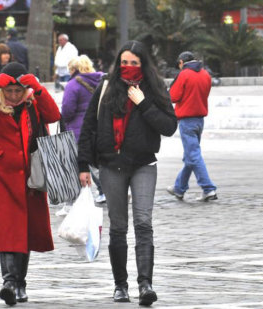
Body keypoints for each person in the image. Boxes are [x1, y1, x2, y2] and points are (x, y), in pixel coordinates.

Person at [77, 40, 177, 306]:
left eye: (134, 63)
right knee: (118, 227)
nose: (129, 67)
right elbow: (88, 128)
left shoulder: (154, 89)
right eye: (124, 62)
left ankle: (145, 284)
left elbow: (169, 126)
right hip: (112, 165)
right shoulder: (106, 88)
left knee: (144, 224)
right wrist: (83, 166)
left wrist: (143, 103)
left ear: (143, 64)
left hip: (144, 164)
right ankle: (120, 286)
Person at [0, 63, 61, 305]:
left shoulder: (33, 103)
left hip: (30, 176)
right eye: (10, 91)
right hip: (0, 176)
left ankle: (20, 282)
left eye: (18, 90)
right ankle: (9, 281)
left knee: (24, 230)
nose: (14, 95)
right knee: (7, 228)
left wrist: (38, 88)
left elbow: (54, 115)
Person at [166, 51, 218, 202]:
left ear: (182, 62)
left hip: (186, 120)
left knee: (193, 155)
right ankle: (179, 188)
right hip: (200, 119)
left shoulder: (184, 74)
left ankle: (208, 188)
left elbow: (173, 96)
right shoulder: (205, 74)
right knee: (190, 155)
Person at [60, 55, 105, 208]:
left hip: (77, 131)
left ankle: (72, 202)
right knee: (95, 163)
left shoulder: (73, 85)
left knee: (77, 165)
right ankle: (108, 190)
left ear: (73, 69)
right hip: (98, 129)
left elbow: (67, 110)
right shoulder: (101, 81)